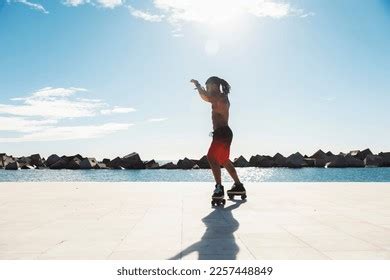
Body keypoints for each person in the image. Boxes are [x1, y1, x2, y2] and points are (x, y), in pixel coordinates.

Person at [190, 76, 246, 201]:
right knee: (224, 160)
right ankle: (238, 185)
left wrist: (198, 85)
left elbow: (205, 97)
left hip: (222, 133)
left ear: (214, 85)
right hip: (224, 133)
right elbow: (207, 97)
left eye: (208, 86)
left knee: (211, 157)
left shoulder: (219, 97)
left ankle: (219, 188)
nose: (208, 89)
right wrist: (200, 87)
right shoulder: (220, 97)